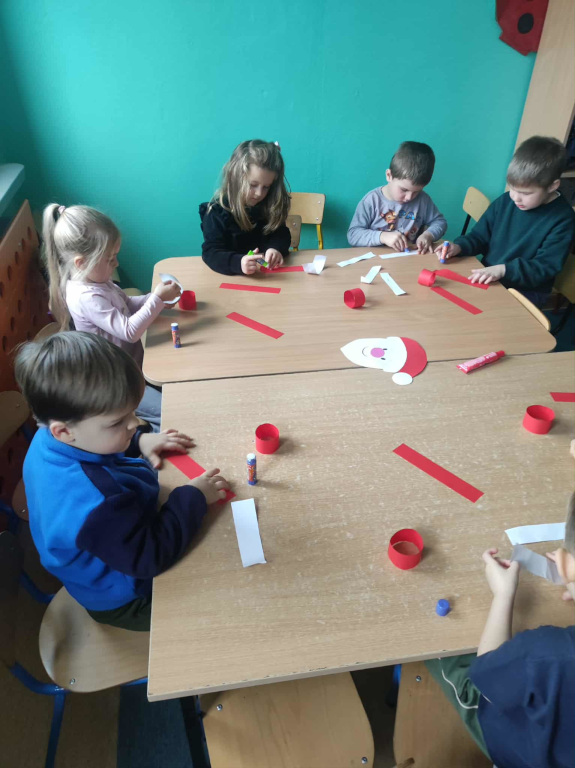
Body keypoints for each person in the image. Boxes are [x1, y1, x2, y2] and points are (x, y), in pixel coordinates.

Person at [15, 331, 229, 631]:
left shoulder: (50, 436)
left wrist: (138, 441)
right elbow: (149, 556)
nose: (134, 423)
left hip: (115, 546)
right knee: (215, 604)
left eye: (132, 412)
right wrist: (192, 498)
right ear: (63, 431)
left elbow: (95, 446)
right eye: (118, 422)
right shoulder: (97, 506)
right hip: (126, 597)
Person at [425, 473, 575, 767]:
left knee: (439, 648)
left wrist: (503, 595)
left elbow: (487, 676)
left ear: (563, 564)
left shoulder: (545, 654)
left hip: (522, 752)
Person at [43, 203, 181, 432]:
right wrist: (156, 300)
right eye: (110, 258)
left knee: (175, 393)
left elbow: (127, 304)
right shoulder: (86, 297)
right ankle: (151, 442)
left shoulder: (98, 280)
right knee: (170, 412)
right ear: (81, 263)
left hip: (133, 365)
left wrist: (155, 300)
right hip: (118, 381)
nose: (116, 263)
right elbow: (129, 331)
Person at [436, 136, 575, 305]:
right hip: (491, 277)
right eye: (512, 188)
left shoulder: (563, 219)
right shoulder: (506, 201)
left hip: (526, 291)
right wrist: (459, 247)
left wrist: (503, 270)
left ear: (553, 186)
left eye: (525, 193)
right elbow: (480, 236)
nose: (515, 197)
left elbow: (543, 268)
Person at [199, 139, 291, 275]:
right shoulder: (215, 213)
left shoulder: (267, 207)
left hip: (267, 279)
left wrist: (275, 248)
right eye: (253, 185)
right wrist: (238, 263)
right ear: (235, 178)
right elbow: (211, 253)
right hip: (232, 280)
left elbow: (281, 233)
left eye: (266, 187)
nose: (259, 193)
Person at [347, 141, 447, 253]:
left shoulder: (423, 200)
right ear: (389, 175)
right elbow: (353, 235)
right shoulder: (371, 201)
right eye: (404, 190)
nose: (409, 197)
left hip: (408, 259)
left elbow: (440, 222)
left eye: (417, 191)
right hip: (375, 259)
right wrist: (382, 236)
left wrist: (428, 235)